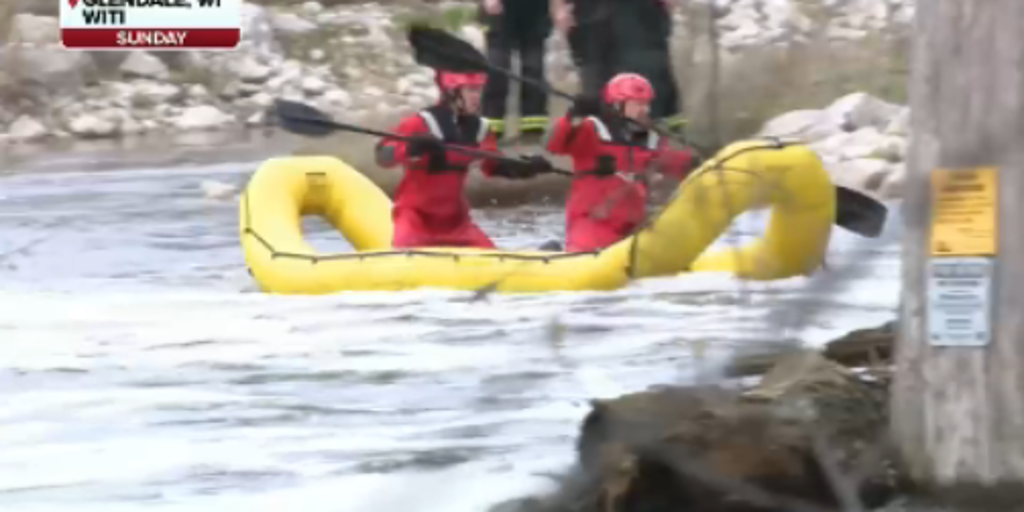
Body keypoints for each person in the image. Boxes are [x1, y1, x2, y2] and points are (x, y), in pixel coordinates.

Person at [376, 69, 554, 249]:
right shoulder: (421, 122)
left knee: (492, 255)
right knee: (405, 250)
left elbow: (492, 166)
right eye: (471, 90)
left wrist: (526, 167)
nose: (477, 97)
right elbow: (382, 156)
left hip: (456, 223)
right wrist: (411, 148)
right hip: (415, 219)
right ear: (452, 92)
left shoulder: (480, 129)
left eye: (479, 89)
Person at [545, 72, 696, 252]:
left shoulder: (651, 138)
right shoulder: (591, 129)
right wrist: (573, 116)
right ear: (618, 105)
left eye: (646, 104)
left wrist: (695, 163)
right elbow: (555, 145)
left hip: (634, 224)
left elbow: (670, 162)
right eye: (638, 104)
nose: (645, 110)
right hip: (593, 222)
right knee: (588, 253)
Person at [549, 0, 687, 135]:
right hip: (590, 19)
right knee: (594, 76)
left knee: (645, 66)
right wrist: (559, 7)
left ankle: (654, 127)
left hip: (638, 17)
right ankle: (607, 128)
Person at [478, 0, 552, 143]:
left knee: (533, 69)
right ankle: (491, 131)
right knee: (497, 69)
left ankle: (533, 130)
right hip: (500, 10)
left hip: (535, 10)